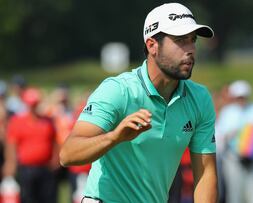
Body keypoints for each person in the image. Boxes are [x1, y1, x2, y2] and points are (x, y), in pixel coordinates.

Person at [60, 3, 218, 203]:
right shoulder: (118, 90)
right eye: (180, 40)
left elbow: (206, 174)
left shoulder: (200, 98)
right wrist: (115, 138)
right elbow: (68, 154)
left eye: (192, 40)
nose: (190, 50)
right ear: (152, 45)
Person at [3, 87, 59, 203]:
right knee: (28, 198)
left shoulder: (48, 121)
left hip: (45, 167)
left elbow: (54, 141)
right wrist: (11, 163)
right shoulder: (17, 121)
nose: (33, 107)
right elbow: (12, 145)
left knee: (48, 198)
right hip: (26, 168)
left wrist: (56, 159)